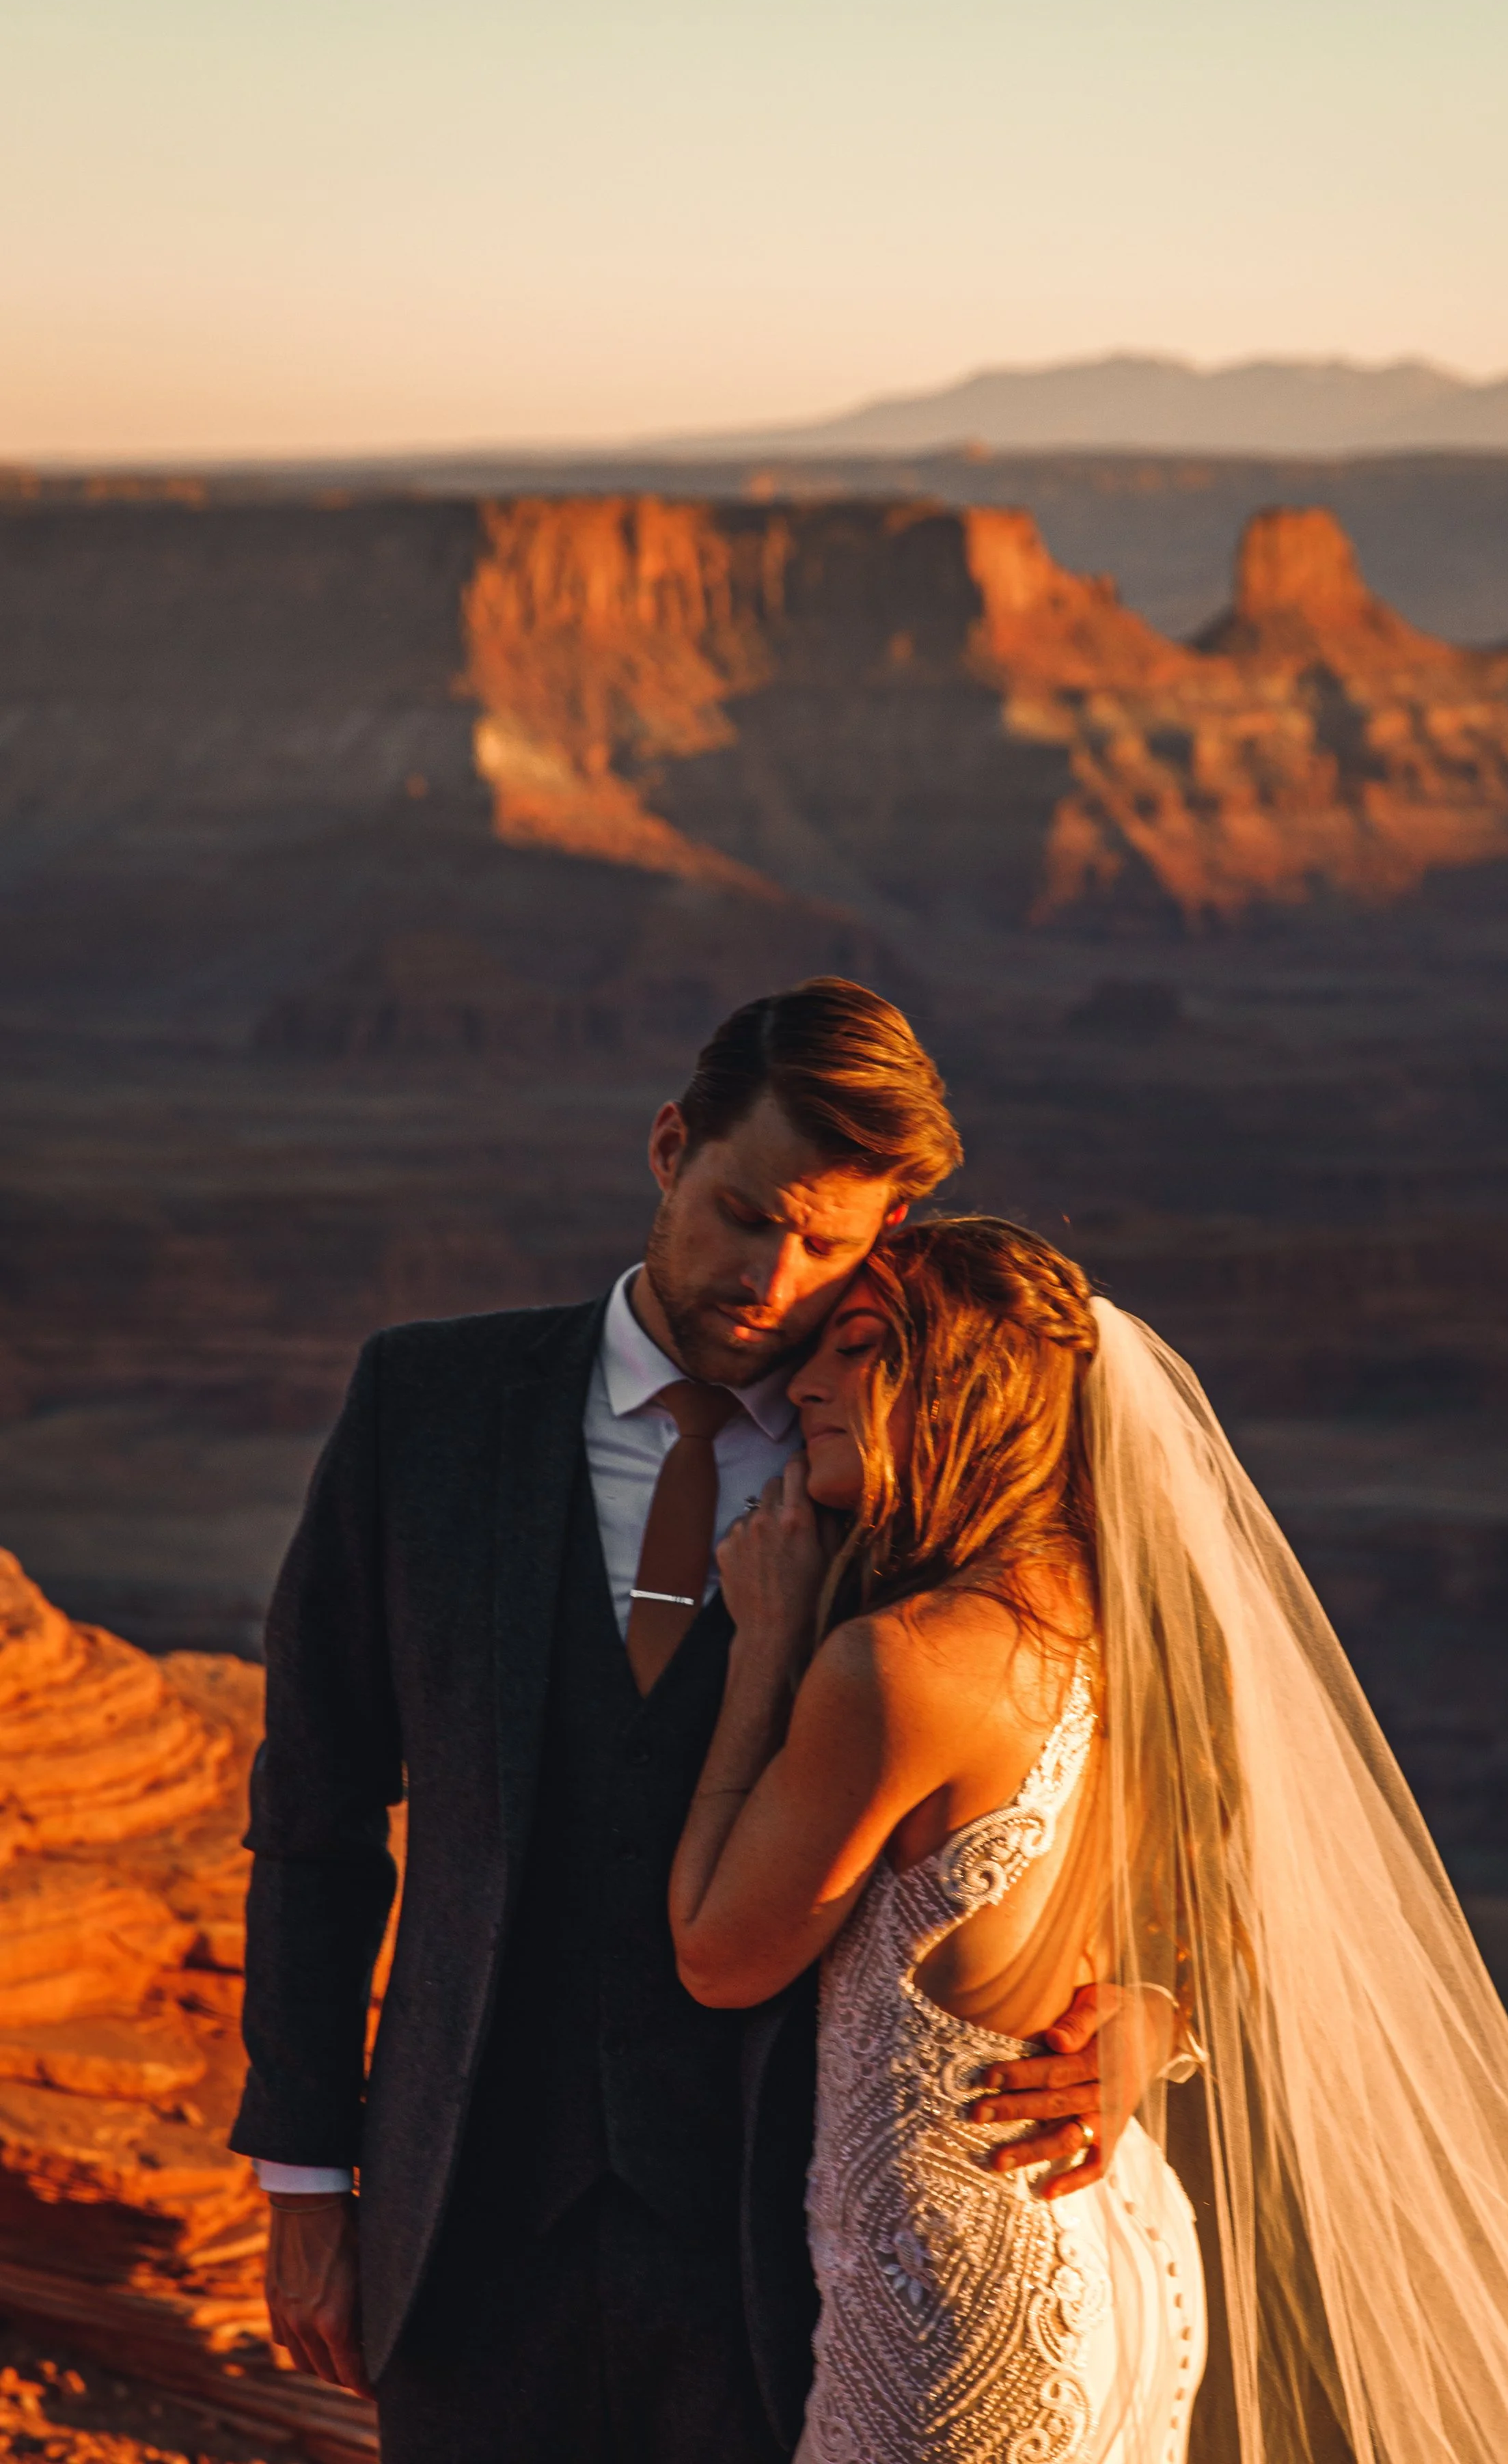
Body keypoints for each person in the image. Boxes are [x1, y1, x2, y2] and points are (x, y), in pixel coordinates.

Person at [230, 978, 1127, 2464]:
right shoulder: (427, 1405)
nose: (773, 1278)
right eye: (742, 1211)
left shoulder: (916, 1492)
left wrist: (1139, 2022)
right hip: (465, 2223)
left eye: (829, 1244)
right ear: (667, 1149)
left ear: (885, 1238)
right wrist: (307, 2185)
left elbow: (1134, 1779)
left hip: (782, 2262)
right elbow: (315, 1815)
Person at [672, 1216, 1508, 2464]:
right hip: (1121, 2256)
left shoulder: (899, 1669)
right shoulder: (1119, 1636)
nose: (807, 1386)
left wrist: (762, 1656)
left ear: (967, 1384)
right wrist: (1150, 2017)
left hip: (954, 2303)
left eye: (860, 1349)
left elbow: (720, 1956)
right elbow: (1203, 1915)